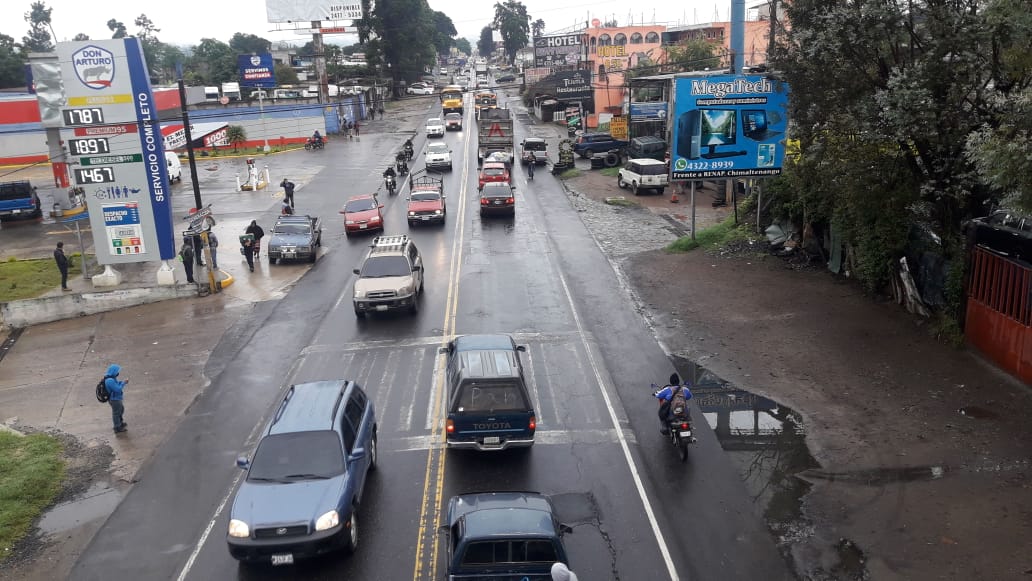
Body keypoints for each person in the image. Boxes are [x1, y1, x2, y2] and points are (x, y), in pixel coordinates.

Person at [104, 364, 128, 433]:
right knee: (116, 413)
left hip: (116, 398)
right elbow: (117, 389)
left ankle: (120, 423)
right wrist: (124, 383)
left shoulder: (111, 378)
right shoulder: (110, 380)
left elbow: (116, 384)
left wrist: (121, 382)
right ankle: (117, 427)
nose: (118, 373)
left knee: (121, 410)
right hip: (114, 399)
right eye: (117, 371)